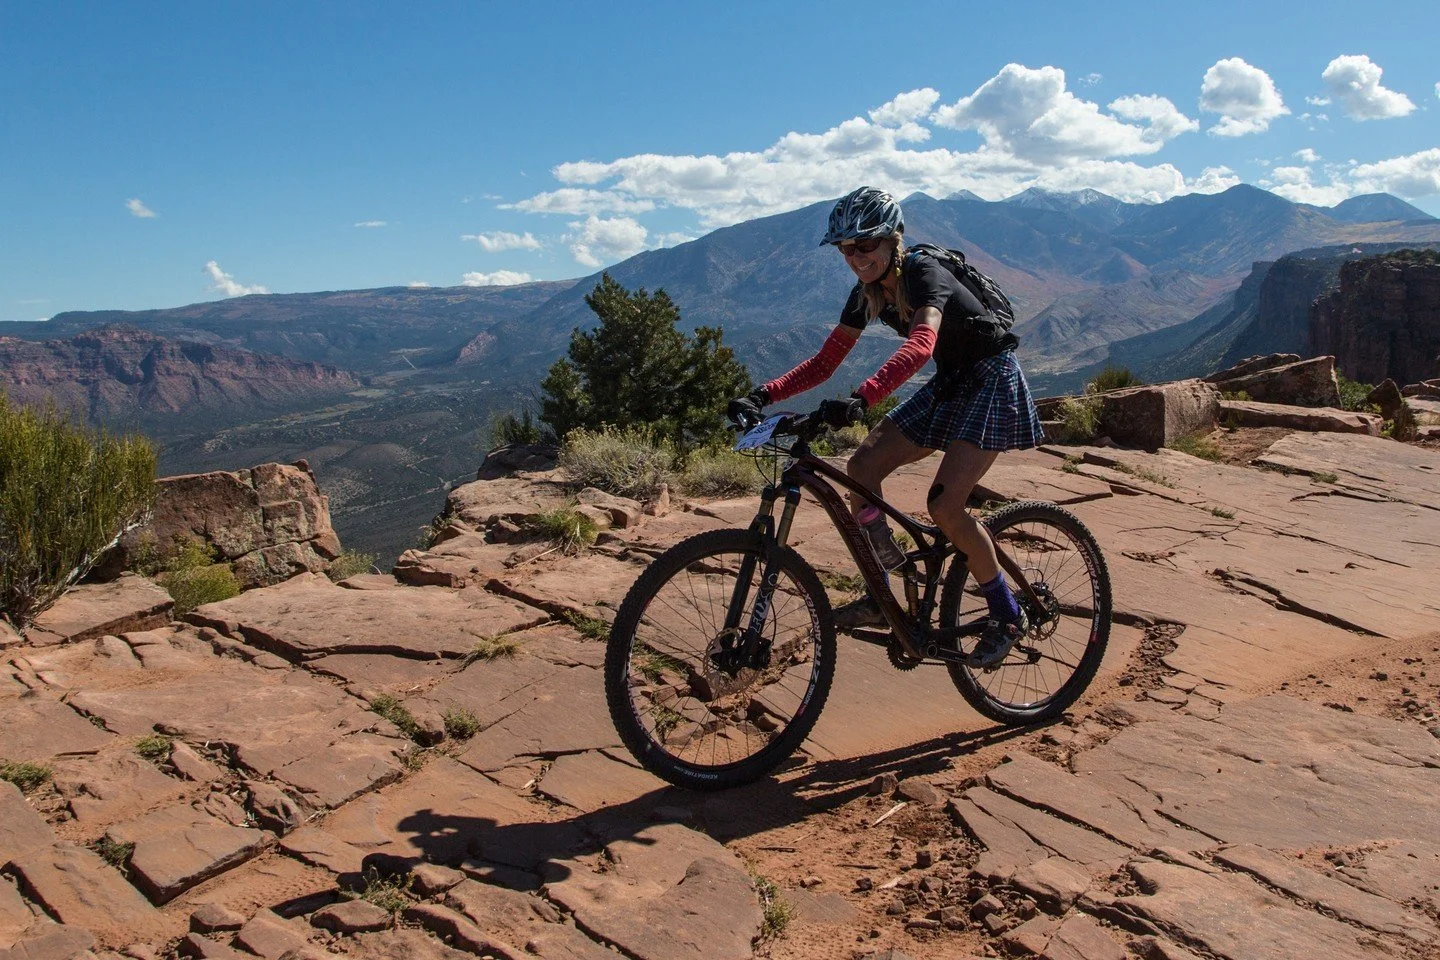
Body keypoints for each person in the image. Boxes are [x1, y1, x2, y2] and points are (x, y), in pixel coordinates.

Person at [727, 186, 1045, 668]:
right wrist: (762, 395)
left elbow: (920, 344)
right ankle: (884, 591)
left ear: (893, 238)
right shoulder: (867, 292)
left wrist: (863, 398)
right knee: (862, 466)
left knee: (944, 506)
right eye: (846, 249)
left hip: (991, 381)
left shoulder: (922, 272)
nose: (855, 257)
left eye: (865, 244)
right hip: (952, 382)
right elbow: (824, 361)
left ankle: (1006, 613)